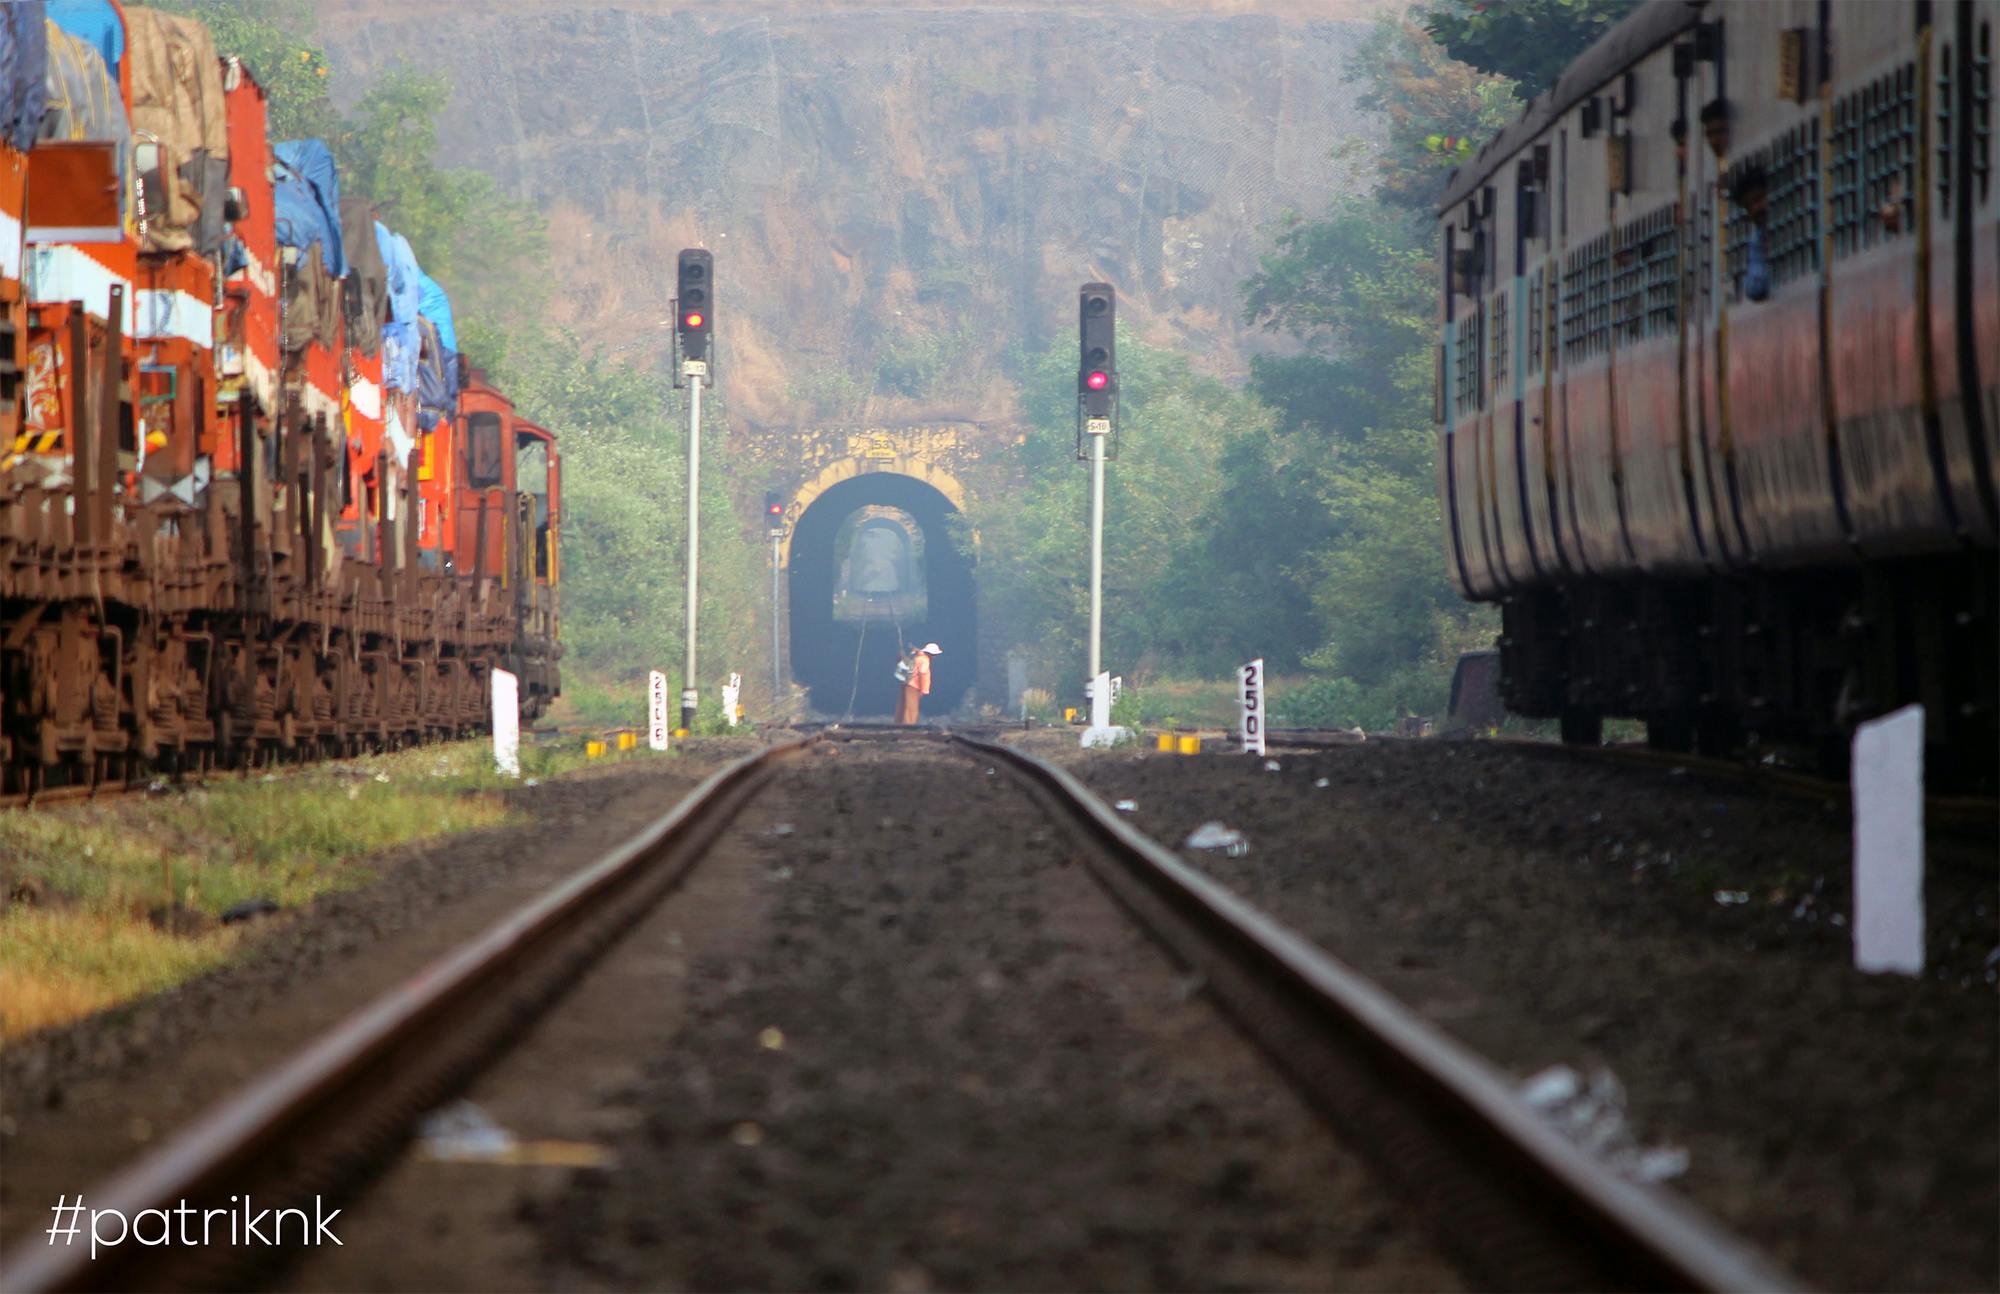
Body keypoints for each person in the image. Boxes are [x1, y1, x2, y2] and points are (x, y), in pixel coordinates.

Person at [896, 642, 940, 723]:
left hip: (909, 684)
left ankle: (900, 722)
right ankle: (909, 725)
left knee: (905, 705)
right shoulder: (925, 660)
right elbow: (922, 674)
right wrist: (923, 690)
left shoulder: (919, 657)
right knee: (912, 708)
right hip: (914, 686)